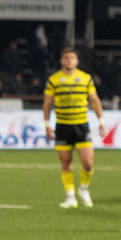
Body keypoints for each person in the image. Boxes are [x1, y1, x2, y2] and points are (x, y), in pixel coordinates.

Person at [44, 46, 105, 208]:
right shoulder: (54, 80)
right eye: (66, 58)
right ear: (61, 61)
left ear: (77, 61)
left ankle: (83, 188)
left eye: (72, 57)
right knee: (66, 163)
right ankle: (70, 197)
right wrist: (47, 124)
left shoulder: (85, 78)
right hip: (63, 126)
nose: (69, 60)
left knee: (88, 163)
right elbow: (47, 103)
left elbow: (94, 100)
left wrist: (101, 120)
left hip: (81, 125)